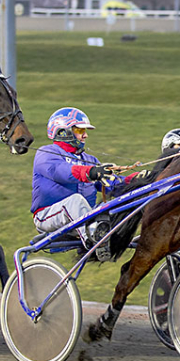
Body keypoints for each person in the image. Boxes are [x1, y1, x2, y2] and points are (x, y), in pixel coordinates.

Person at [31, 107, 143, 259]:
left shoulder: (90, 160)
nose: (85, 135)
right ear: (63, 131)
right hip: (47, 216)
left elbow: (115, 186)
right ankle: (96, 244)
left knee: (112, 205)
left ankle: (106, 236)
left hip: (82, 219)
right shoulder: (46, 153)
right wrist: (90, 172)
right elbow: (62, 171)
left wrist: (138, 179)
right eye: (79, 130)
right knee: (75, 201)